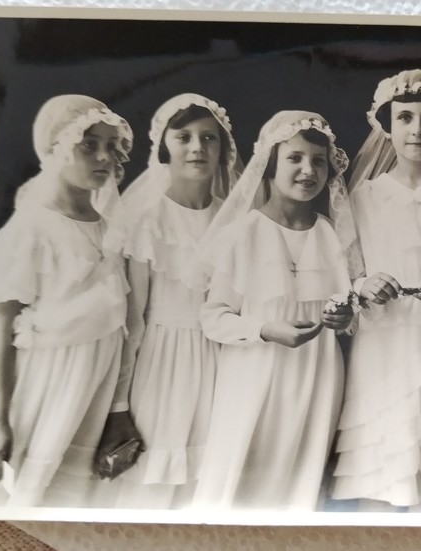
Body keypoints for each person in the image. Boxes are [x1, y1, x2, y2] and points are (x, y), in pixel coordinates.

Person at [191, 111, 358, 511]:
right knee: (237, 482)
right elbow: (213, 316)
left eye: (318, 161)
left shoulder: (331, 233)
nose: (308, 170)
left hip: (317, 375)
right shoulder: (243, 232)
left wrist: (344, 319)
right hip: (255, 374)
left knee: (298, 484)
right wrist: (265, 329)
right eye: (295, 158)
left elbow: (347, 306)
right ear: (270, 164)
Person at [331, 69, 421, 511]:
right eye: (405, 118)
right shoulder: (362, 198)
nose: (417, 129)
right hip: (384, 349)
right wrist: (363, 284)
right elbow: (341, 274)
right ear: (387, 127)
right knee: (381, 476)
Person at [0, 94, 135, 507]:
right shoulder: (34, 226)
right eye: (88, 144)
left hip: (94, 380)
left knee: (69, 494)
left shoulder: (109, 228)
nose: (104, 156)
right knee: (22, 490)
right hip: (46, 378)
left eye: (111, 145)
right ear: (56, 147)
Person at [101, 94, 241, 509]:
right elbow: (133, 320)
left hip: (224, 363)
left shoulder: (233, 220)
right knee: (154, 485)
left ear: (222, 148)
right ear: (165, 146)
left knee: (206, 486)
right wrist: (120, 402)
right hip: (161, 364)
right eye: (184, 137)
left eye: (208, 138)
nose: (197, 147)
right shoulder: (146, 217)